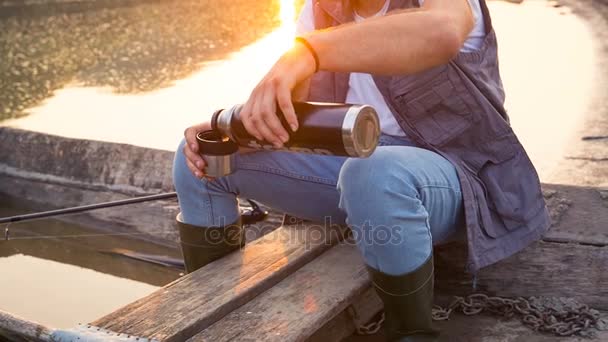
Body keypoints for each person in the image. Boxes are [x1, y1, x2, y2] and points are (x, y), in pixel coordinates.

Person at [173, 0, 550, 340]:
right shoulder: (319, 9)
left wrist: (308, 52)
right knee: (201, 155)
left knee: (375, 173)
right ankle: (211, 316)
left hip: (455, 176)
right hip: (353, 166)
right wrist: (236, 128)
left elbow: (444, 31)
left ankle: (410, 332)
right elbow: (292, 112)